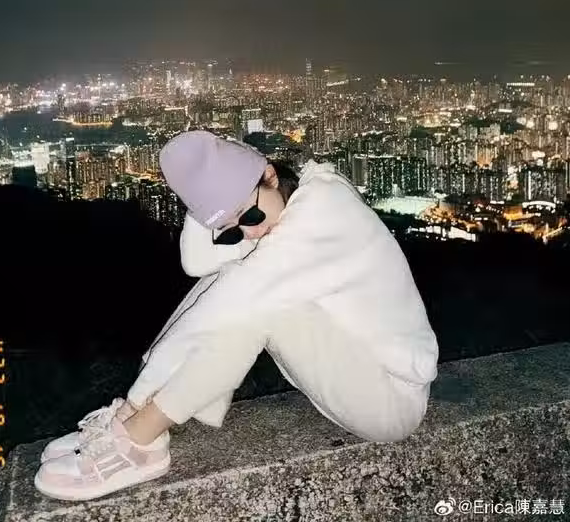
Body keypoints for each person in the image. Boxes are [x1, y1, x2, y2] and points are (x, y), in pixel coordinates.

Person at [34, 130, 439, 502]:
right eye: (233, 228)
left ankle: (140, 439)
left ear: (270, 175)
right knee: (234, 280)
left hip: (391, 398)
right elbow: (198, 263)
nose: (250, 232)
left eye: (250, 216)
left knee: (257, 304)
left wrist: (142, 393)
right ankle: (132, 422)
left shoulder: (323, 213)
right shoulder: (289, 202)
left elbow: (222, 306)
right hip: (355, 373)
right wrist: (208, 201)